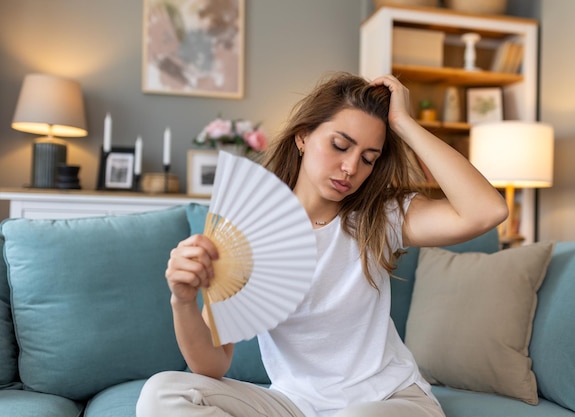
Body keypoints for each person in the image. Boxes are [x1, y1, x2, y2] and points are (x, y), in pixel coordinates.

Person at [136, 72, 508, 417]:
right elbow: (211, 365)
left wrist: (404, 125)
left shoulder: (380, 216)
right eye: (340, 145)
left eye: (368, 159)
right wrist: (183, 300)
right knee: (164, 392)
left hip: (389, 401)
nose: (351, 168)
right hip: (297, 406)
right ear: (303, 137)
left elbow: (486, 211)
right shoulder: (246, 236)